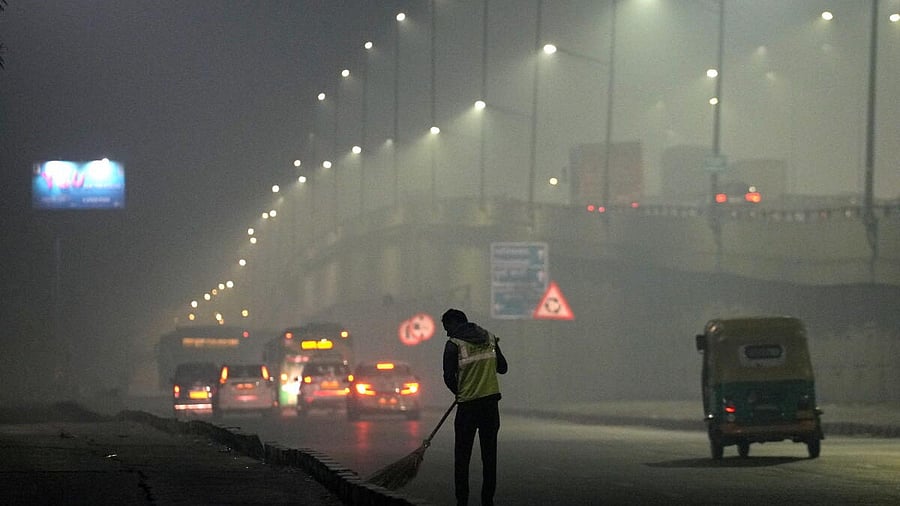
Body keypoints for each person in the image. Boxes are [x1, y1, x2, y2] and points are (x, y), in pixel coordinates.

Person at [441, 308, 508, 506]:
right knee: (489, 457)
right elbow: (503, 368)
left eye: (447, 327)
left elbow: (448, 377)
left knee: (462, 458)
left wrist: (460, 393)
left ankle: (462, 502)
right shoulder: (490, 338)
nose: (446, 332)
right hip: (490, 406)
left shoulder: (453, 345)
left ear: (455, 323)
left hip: (467, 408)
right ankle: (488, 501)